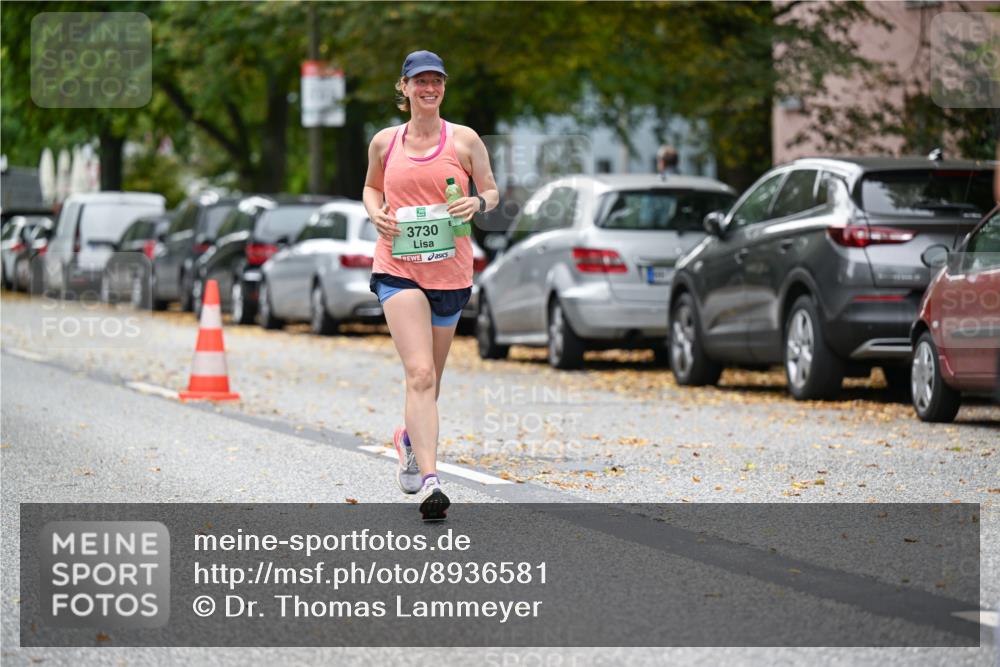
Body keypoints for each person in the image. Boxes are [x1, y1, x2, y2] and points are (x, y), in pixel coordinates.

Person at [363, 50, 499, 521]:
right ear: (403, 87)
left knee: (432, 382)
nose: (429, 88)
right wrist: (374, 212)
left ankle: (407, 438)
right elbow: (371, 187)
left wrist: (477, 204)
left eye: (436, 80)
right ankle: (432, 482)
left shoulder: (463, 140)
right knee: (419, 373)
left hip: (450, 273)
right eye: (419, 80)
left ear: (443, 87)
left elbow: (492, 190)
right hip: (398, 268)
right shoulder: (385, 142)